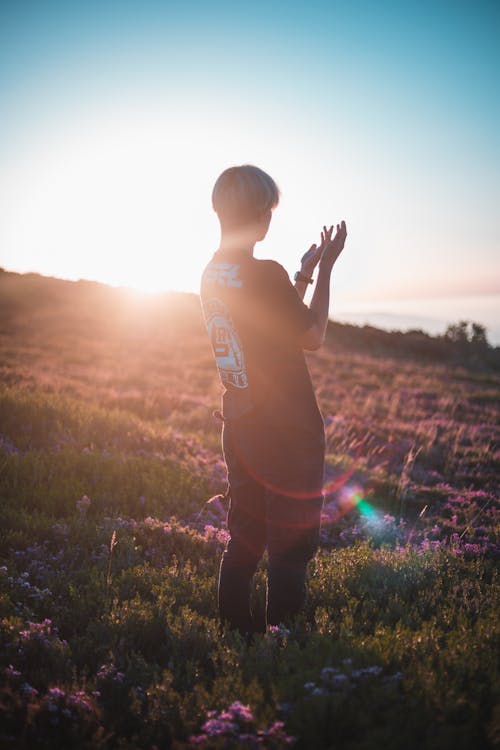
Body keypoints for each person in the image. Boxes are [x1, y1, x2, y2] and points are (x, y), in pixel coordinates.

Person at [200, 164, 347, 637]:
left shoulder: (212, 272)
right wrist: (324, 271)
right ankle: (284, 651)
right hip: (289, 429)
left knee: (244, 536)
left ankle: (236, 639)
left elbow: (267, 321)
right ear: (262, 217)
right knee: (291, 544)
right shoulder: (265, 273)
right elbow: (312, 335)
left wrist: (300, 274)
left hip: (241, 420)